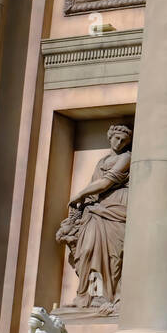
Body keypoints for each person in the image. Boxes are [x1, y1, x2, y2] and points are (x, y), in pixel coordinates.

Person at [55, 125, 131, 311]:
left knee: (112, 255)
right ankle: (87, 296)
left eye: (124, 140)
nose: (119, 142)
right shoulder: (102, 161)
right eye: (117, 138)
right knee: (87, 249)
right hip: (95, 209)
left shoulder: (126, 158)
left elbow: (106, 182)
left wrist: (79, 194)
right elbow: (94, 185)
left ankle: (105, 295)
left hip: (115, 209)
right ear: (110, 137)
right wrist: (81, 206)